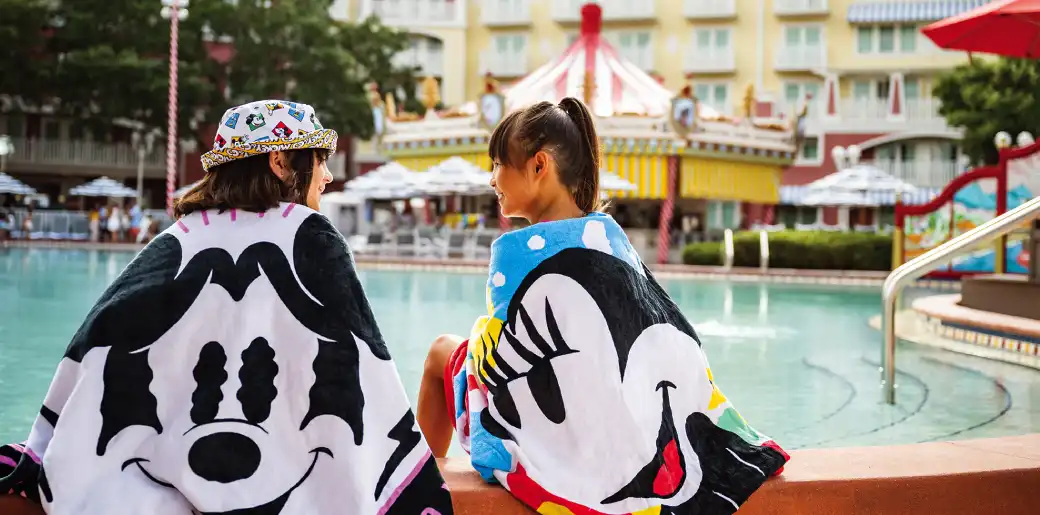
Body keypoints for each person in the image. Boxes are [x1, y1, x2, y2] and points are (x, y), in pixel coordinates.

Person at [0, 100, 453, 515]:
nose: (327, 176)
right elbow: (363, 368)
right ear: (280, 161)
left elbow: (95, 349)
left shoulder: (173, 240)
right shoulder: (309, 236)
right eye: (319, 159)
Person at [416, 98, 789, 515]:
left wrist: (485, 334)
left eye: (498, 164)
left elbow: (499, 362)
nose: (492, 179)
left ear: (539, 166)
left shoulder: (521, 252)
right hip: (633, 424)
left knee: (439, 353)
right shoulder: (608, 236)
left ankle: (420, 497)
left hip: (567, 437)